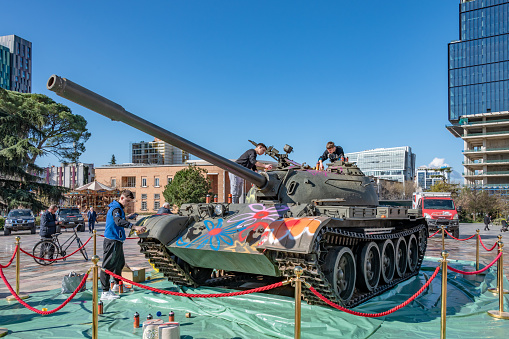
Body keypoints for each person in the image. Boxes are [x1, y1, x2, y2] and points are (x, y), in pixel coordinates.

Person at [100, 190, 146, 301]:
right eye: (127, 201)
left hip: (117, 241)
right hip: (112, 241)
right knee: (107, 266)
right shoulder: (116, 208)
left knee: (119, 264)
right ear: (121, 198)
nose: (128, 203)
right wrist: (133, 227)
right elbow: (118, 221)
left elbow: (119, 219)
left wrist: (127, 218)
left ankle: (117, 284)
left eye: (130, 201)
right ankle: (105, 291)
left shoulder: (118, 208)